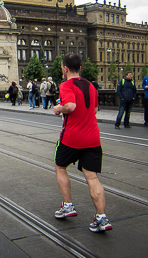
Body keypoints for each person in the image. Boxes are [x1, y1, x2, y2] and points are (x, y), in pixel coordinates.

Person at [52, 54, 112, 233]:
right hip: (92, 137)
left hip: (71, 137)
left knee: (60, 167)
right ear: (80, 68)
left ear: (65, 68)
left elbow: (70, 106)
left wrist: (58, 108)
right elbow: (94, 110)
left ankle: (68, 205)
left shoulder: (66, 85)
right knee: (92, 177)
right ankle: (101, 217)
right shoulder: (91, 85)